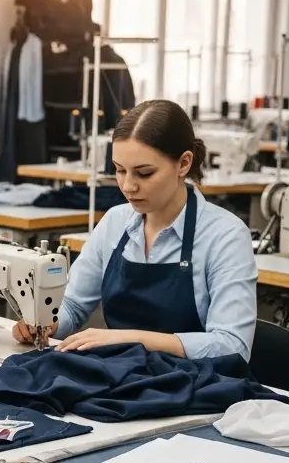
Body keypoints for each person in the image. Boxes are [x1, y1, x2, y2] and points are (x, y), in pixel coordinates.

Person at [13, 99, 257, 361]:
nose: (128, 186)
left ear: (184, 163)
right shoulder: (115, 223)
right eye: (119, 170)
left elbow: (232, 346)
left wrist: (130, 338)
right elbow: (72, 306)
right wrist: (48, 322)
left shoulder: (225, 236)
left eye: (144, 173)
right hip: (122, 377)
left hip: (196, 386)